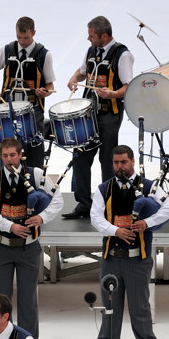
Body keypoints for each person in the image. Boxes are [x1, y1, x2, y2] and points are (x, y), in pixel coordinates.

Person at [83, 145, 169, 339]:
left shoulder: (151, 187)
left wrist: (146, 223)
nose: (120, 166)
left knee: (140, 306)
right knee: (109, 306)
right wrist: (116, 231)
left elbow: (168, 210)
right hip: (111, 258)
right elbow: (96, 217)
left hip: (138, 259)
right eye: (116, 163)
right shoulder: (104, 189)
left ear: (132, 161)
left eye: (123, 162)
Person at [0, 138, 63, 339]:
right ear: (0, 156)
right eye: (5, 156)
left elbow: (58, 199)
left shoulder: (36, 174)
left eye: (13, 155)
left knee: (28, 302)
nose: (9, 160)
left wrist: (42, 217)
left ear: (20, 155)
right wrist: (11, 226)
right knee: (0, 303)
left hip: (29, 249)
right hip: (1, 248)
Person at [63, 16, 135, 220]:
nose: (88, 38)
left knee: (107, 160)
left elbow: (129, 86)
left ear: (104, 36)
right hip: (88, 114)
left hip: (109, 114)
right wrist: (74, 78)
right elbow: (84, 71)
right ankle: (84, 203)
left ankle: (107, 203)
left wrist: (112, 94)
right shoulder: (92, 51)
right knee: (80, 157)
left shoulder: (122, 54)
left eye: (91, 35)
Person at [0, 17, 56, 171]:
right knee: (7, 147)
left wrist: (44, 92)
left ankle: (34, 182)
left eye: (26, 38)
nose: (22, 41)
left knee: (33, 149)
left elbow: (50, 85)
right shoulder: (7, 50)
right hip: (7, 108)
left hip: (32, 110)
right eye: (19, 37)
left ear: (34, 33)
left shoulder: (44, 55)